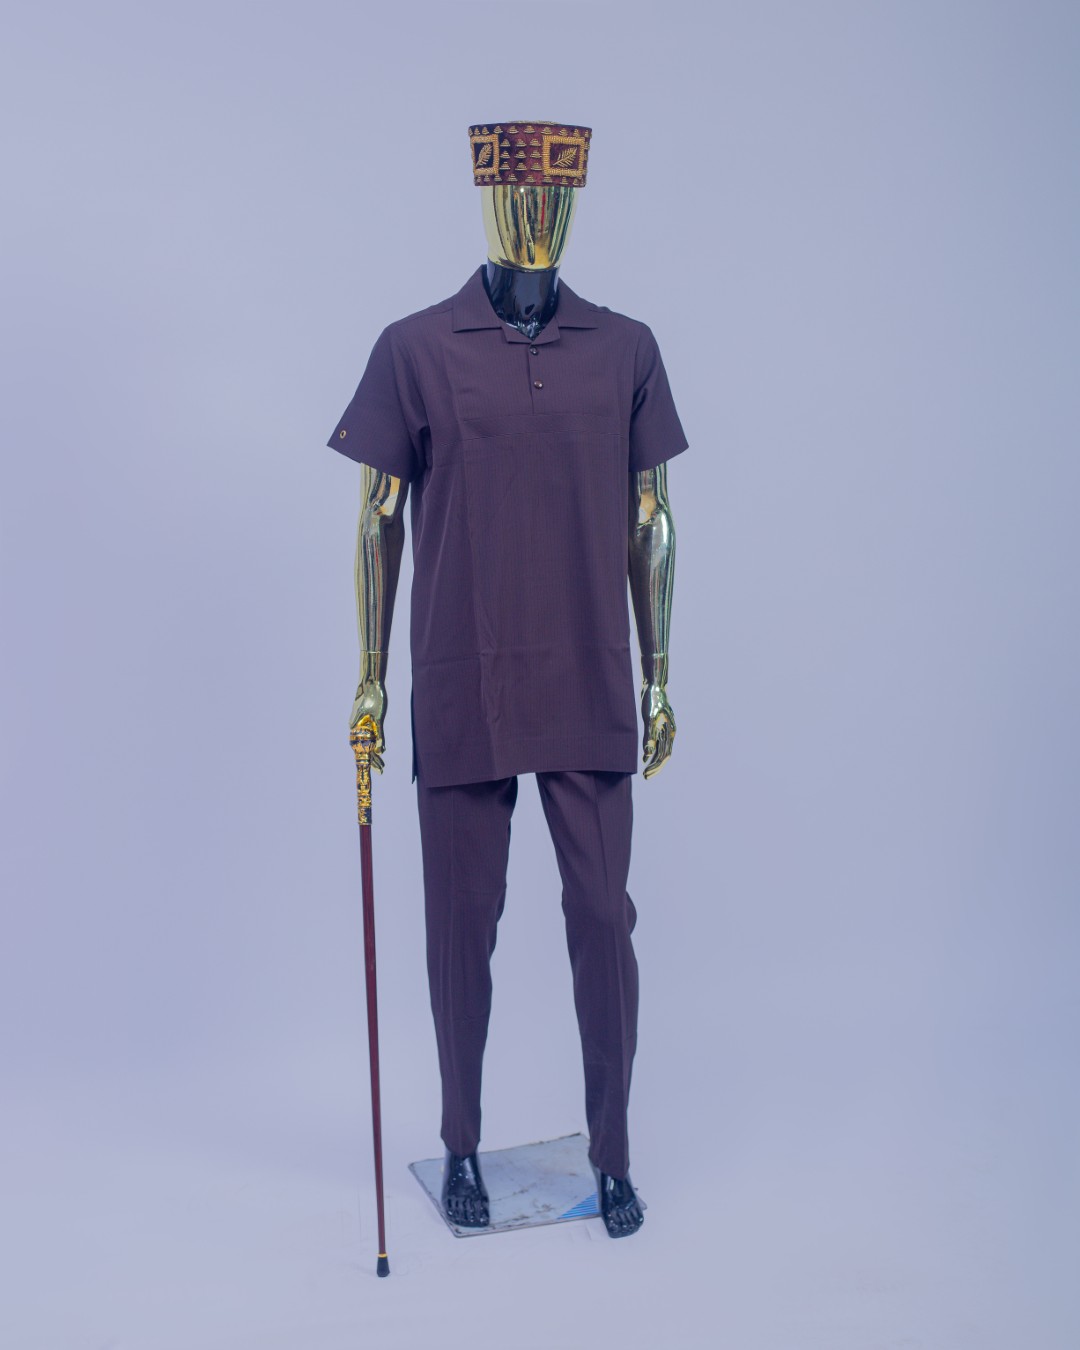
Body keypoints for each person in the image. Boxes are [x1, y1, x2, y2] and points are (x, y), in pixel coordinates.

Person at [326, 120, 688, 1239]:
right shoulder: (415, 348)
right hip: (462, 670)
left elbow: (652, 517)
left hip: (588, 671)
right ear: (486, 198)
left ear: (576, 201)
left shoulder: (625, 348)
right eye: (520, 195)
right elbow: (378, 517)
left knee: (603, 918)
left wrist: (661, 674)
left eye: (557, 196)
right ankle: (462, 1145)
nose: (539, 217)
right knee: (459, 926)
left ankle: (613, 1155)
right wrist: (370, 677)